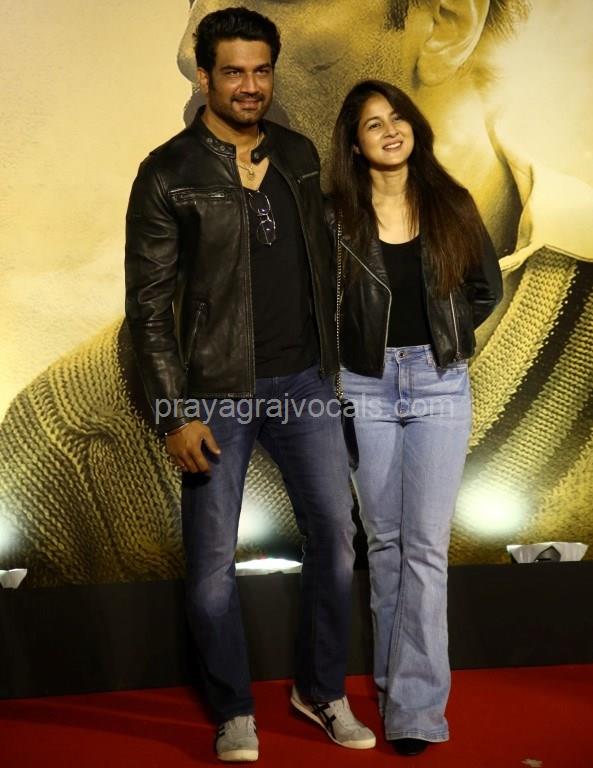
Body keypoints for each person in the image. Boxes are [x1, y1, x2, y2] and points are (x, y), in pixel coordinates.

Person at [124, 7, 375, 762]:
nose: (249, 86)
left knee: (336, 541)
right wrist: (173, 413)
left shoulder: (297, 154)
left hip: (303, 383)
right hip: (213, 393)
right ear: (205, 76)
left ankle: (319, 690)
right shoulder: (168, 172)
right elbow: (148, 309)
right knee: (209, 573)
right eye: (233, 71)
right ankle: (234, 708)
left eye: (261, 70)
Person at [326, 79, 502, 756]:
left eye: (397, 117)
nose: (389, 130)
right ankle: (394, 688)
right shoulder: (334, 217)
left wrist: (443, 341)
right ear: (355, 143)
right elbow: (321, 304)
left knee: (425, 549)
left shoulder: (450, 202)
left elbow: (484, 288)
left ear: (415, 128)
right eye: (373, 123)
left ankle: (416, 712)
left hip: (438, 383)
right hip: (364, 385)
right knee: (386, 546)